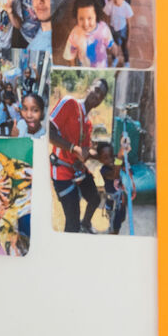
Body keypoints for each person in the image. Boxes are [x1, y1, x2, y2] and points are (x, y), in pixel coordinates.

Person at [49, 78, 107, 233]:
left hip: (77, 169)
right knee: (72, 221)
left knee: (95, 198)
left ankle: (86, 224)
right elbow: (49, 131)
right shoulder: (70, 103)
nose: (98, 96)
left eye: (102, 95)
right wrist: (74, 149)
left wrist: (102, 156)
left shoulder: (88, 124)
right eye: (96, 90)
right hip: (62, 171)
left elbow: (84, 151)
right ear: (88, 88)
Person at [63, 0, 113, 68]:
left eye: (89, 18)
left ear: (96, 15)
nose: (85, 24)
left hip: (101, 68)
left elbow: (110, 45)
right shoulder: (75, 33)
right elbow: (70, 55)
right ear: (76, 17)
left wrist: (113, 48)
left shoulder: (103, 29)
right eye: (81, 19)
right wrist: (73, 68)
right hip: (84, 70)